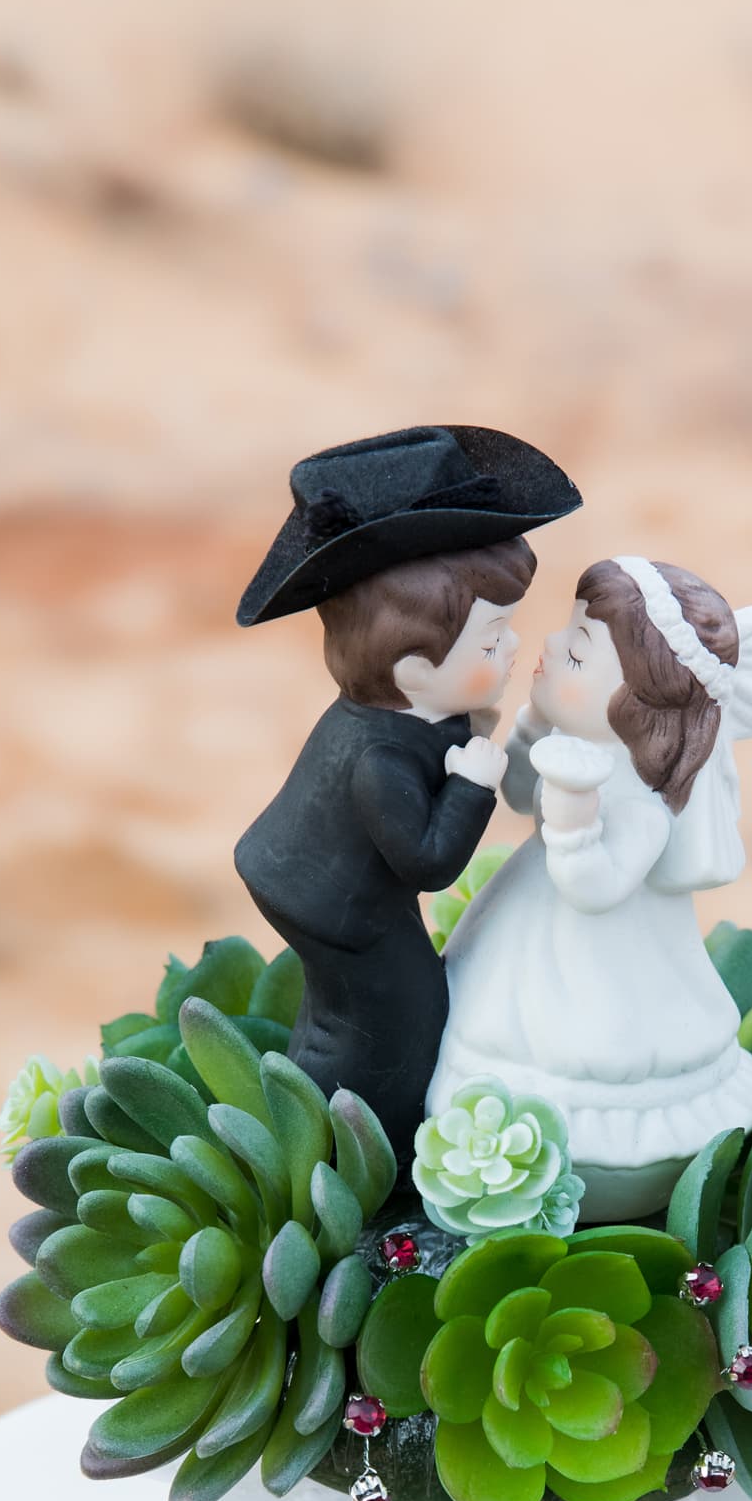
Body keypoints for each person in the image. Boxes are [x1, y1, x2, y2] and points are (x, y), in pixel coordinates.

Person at [234, 424, 580, 1158]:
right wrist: (472, 784)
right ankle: (358, 1151)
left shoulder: (404, 711)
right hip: (334, 903)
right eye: (492, 643)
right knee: (402, 1016)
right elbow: (427, 865)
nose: (513, 648)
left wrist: (465, 732)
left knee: (342, 1010)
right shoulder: (378, 760)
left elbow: (440, 737)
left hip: (308, 873)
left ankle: (309, 1106)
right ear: (416, 672)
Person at [428, 556, 752, 1218]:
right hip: (527, 930)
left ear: (635, 704)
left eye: (579, 654)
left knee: (583, 1065)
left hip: (599, 971)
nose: (552, 646)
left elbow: (592, 885)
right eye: (567, 632)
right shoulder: (573, 746)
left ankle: (590, 1171)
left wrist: (575, 813)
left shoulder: (642, 803)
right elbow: (519, 793)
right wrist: (522, 733)